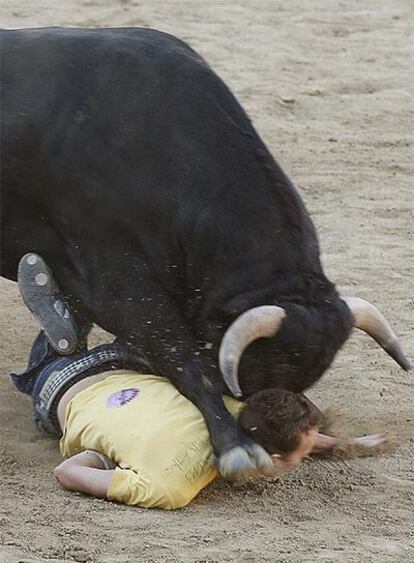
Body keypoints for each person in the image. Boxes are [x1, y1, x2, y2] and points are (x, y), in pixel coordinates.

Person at [11, 253, 389, 509]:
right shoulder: (171, 489)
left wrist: (348, 445)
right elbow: (67, 472)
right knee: (49, 365)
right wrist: (103, 452)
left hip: (128, 362)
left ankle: (76, 305)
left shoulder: (229, 412)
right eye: (303, 454)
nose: (311, 452)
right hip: (62, 390)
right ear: (272, 460)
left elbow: (283, 432)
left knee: (168, 345)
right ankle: (64, 328)